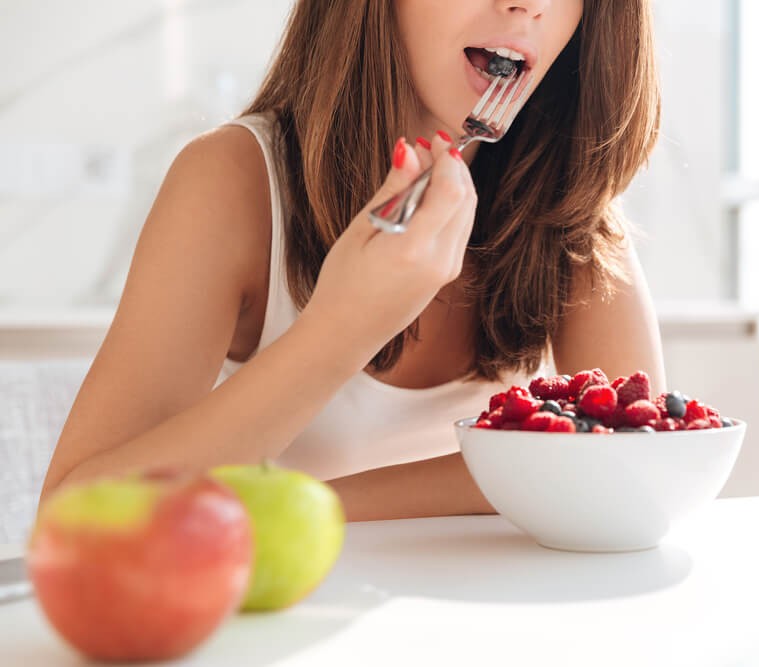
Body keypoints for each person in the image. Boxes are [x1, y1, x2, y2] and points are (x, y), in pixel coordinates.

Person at [39, 0, 665, 520]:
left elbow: (637, 474)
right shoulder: (232, 182)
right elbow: (71, 525)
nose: (529, 4)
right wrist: (345, 325)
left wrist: (297, 509)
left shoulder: (566, 216)